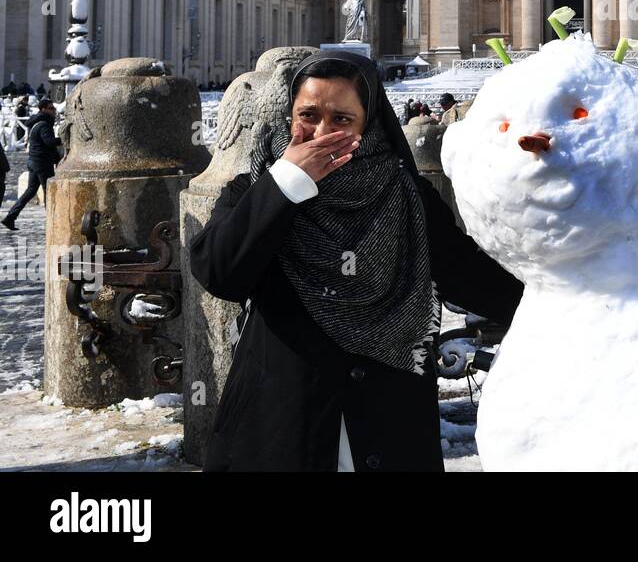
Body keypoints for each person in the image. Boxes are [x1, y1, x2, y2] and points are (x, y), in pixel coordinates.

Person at [188, 50, 523, 471]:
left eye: (342, 120)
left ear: (370, 124)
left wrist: (579, 286)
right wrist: (286, 184)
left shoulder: (407, 196)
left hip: (389, 422)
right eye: (308, 115)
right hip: (280, 422)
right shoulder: (254, 186)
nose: (320, 132)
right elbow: (220, 272)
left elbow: (476, 281)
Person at [2, 98, 62, 231]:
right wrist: (63, 139)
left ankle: (10, 217)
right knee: (49, 191)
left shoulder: (38, 123)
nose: (54, 111)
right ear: (43, 109)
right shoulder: (44, 125)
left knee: (30, 191)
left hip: (34, 161)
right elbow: (49, 143)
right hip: (42, 163)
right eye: (51, 108)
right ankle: (53, 222)